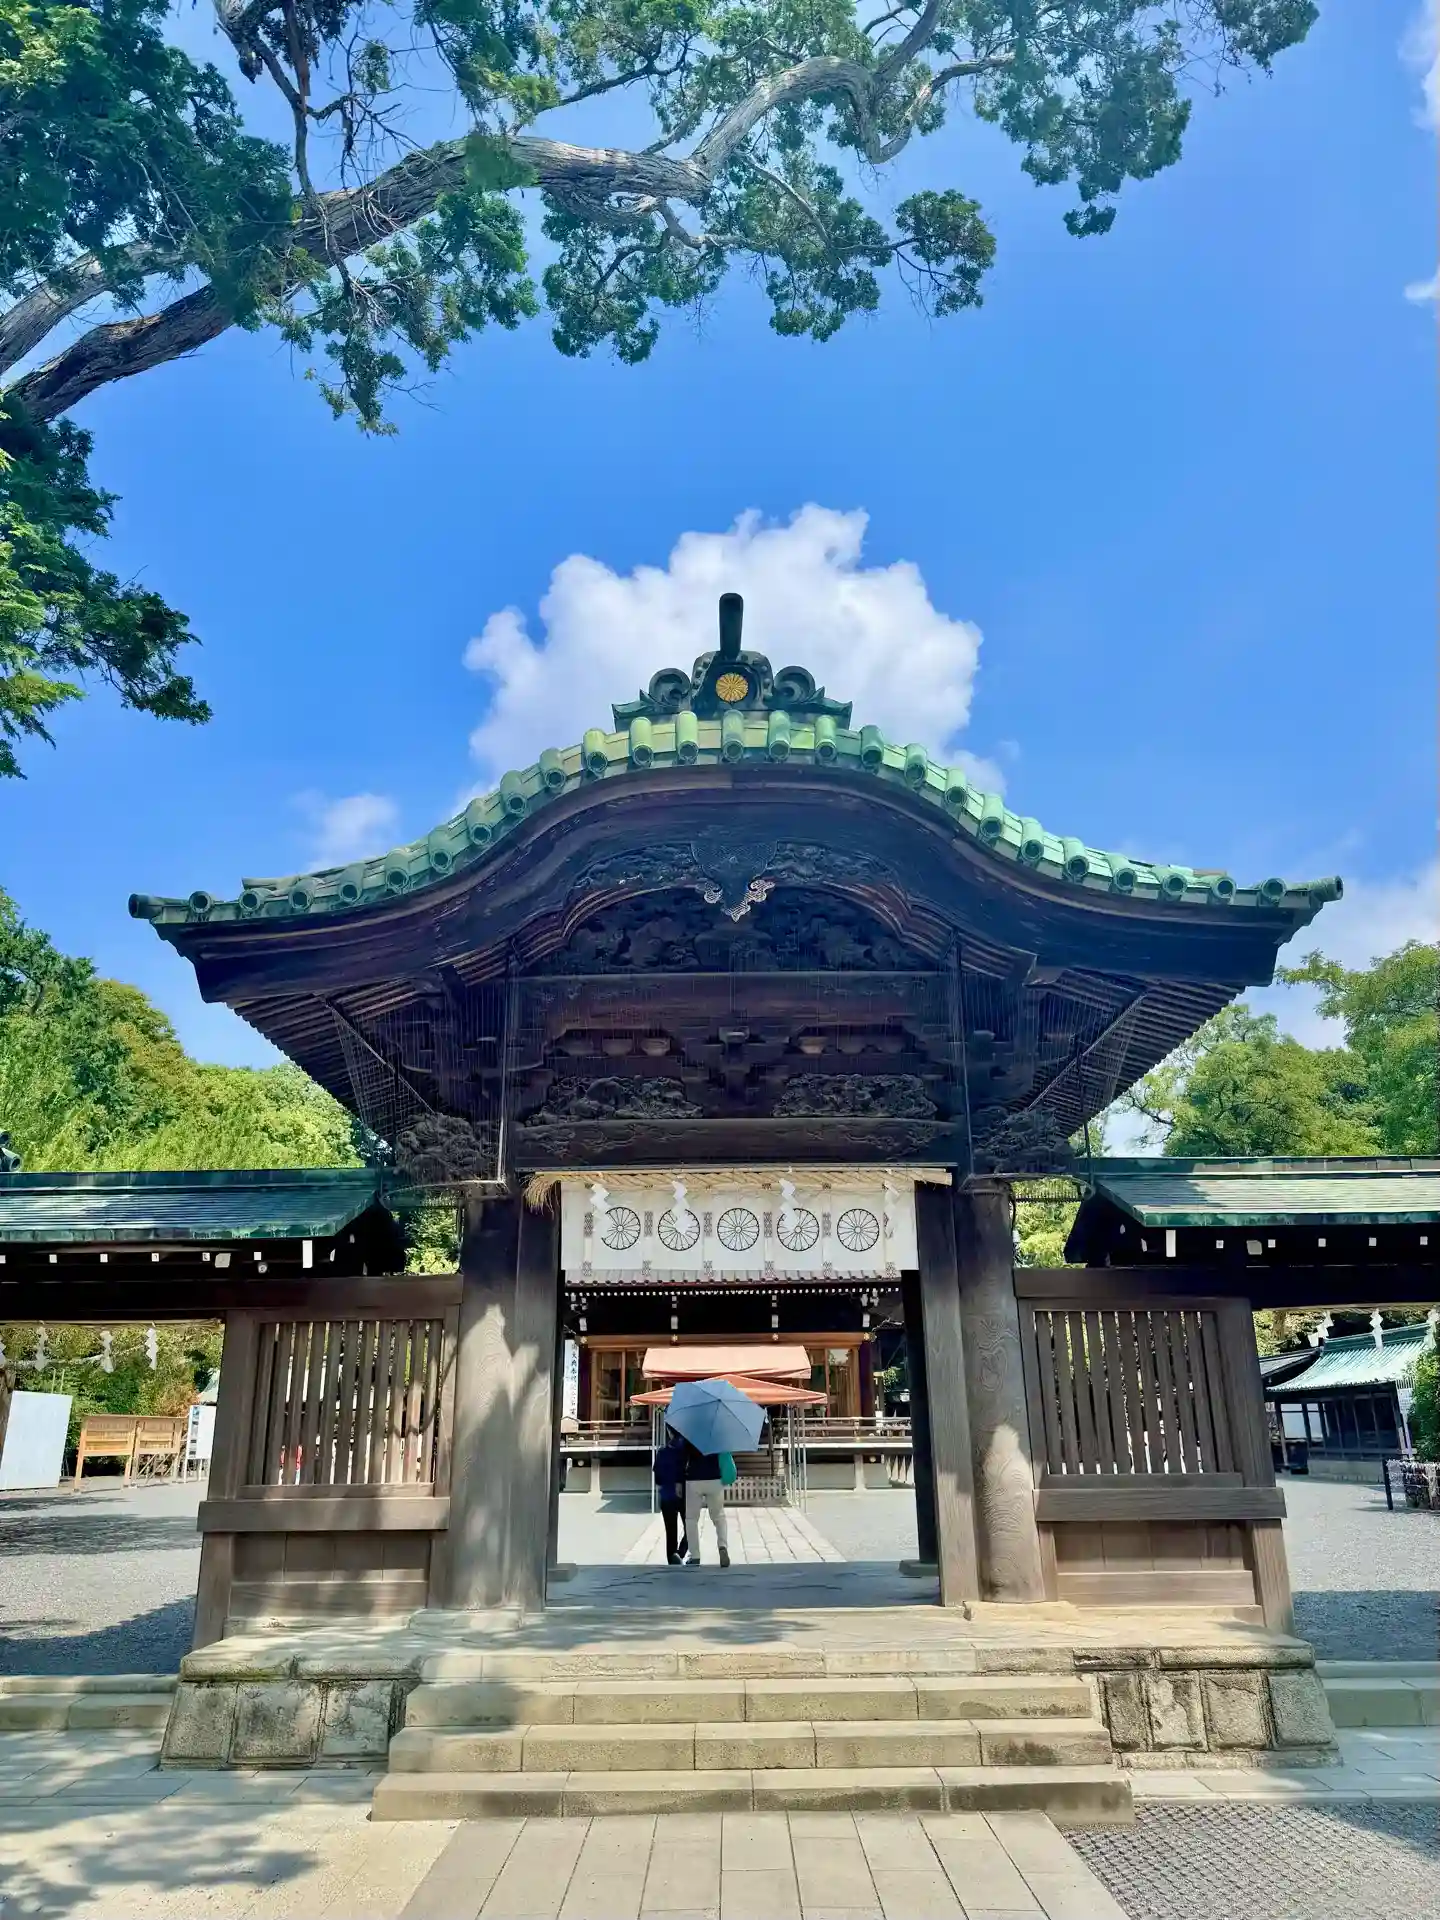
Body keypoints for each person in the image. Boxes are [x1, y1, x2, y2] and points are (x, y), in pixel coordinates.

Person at [681, 1437, 730, 1567]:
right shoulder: (717, 1434)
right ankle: (722, 1546)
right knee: (719, 1517)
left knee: (691, 1519)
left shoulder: (690, 1434)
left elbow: (683, 1455)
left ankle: (695, 1555)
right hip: (714, 1477)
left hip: (694, 1478)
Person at [653, 1426, 688, 1566]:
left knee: (671, 1532)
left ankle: (672, 1562)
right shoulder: (687, 1451)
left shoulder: (662, 1452)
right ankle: (680, 1553)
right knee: (690, 1528)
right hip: (685, 1495)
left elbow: (658, 1479)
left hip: (667, 1496)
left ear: (669, 1432)